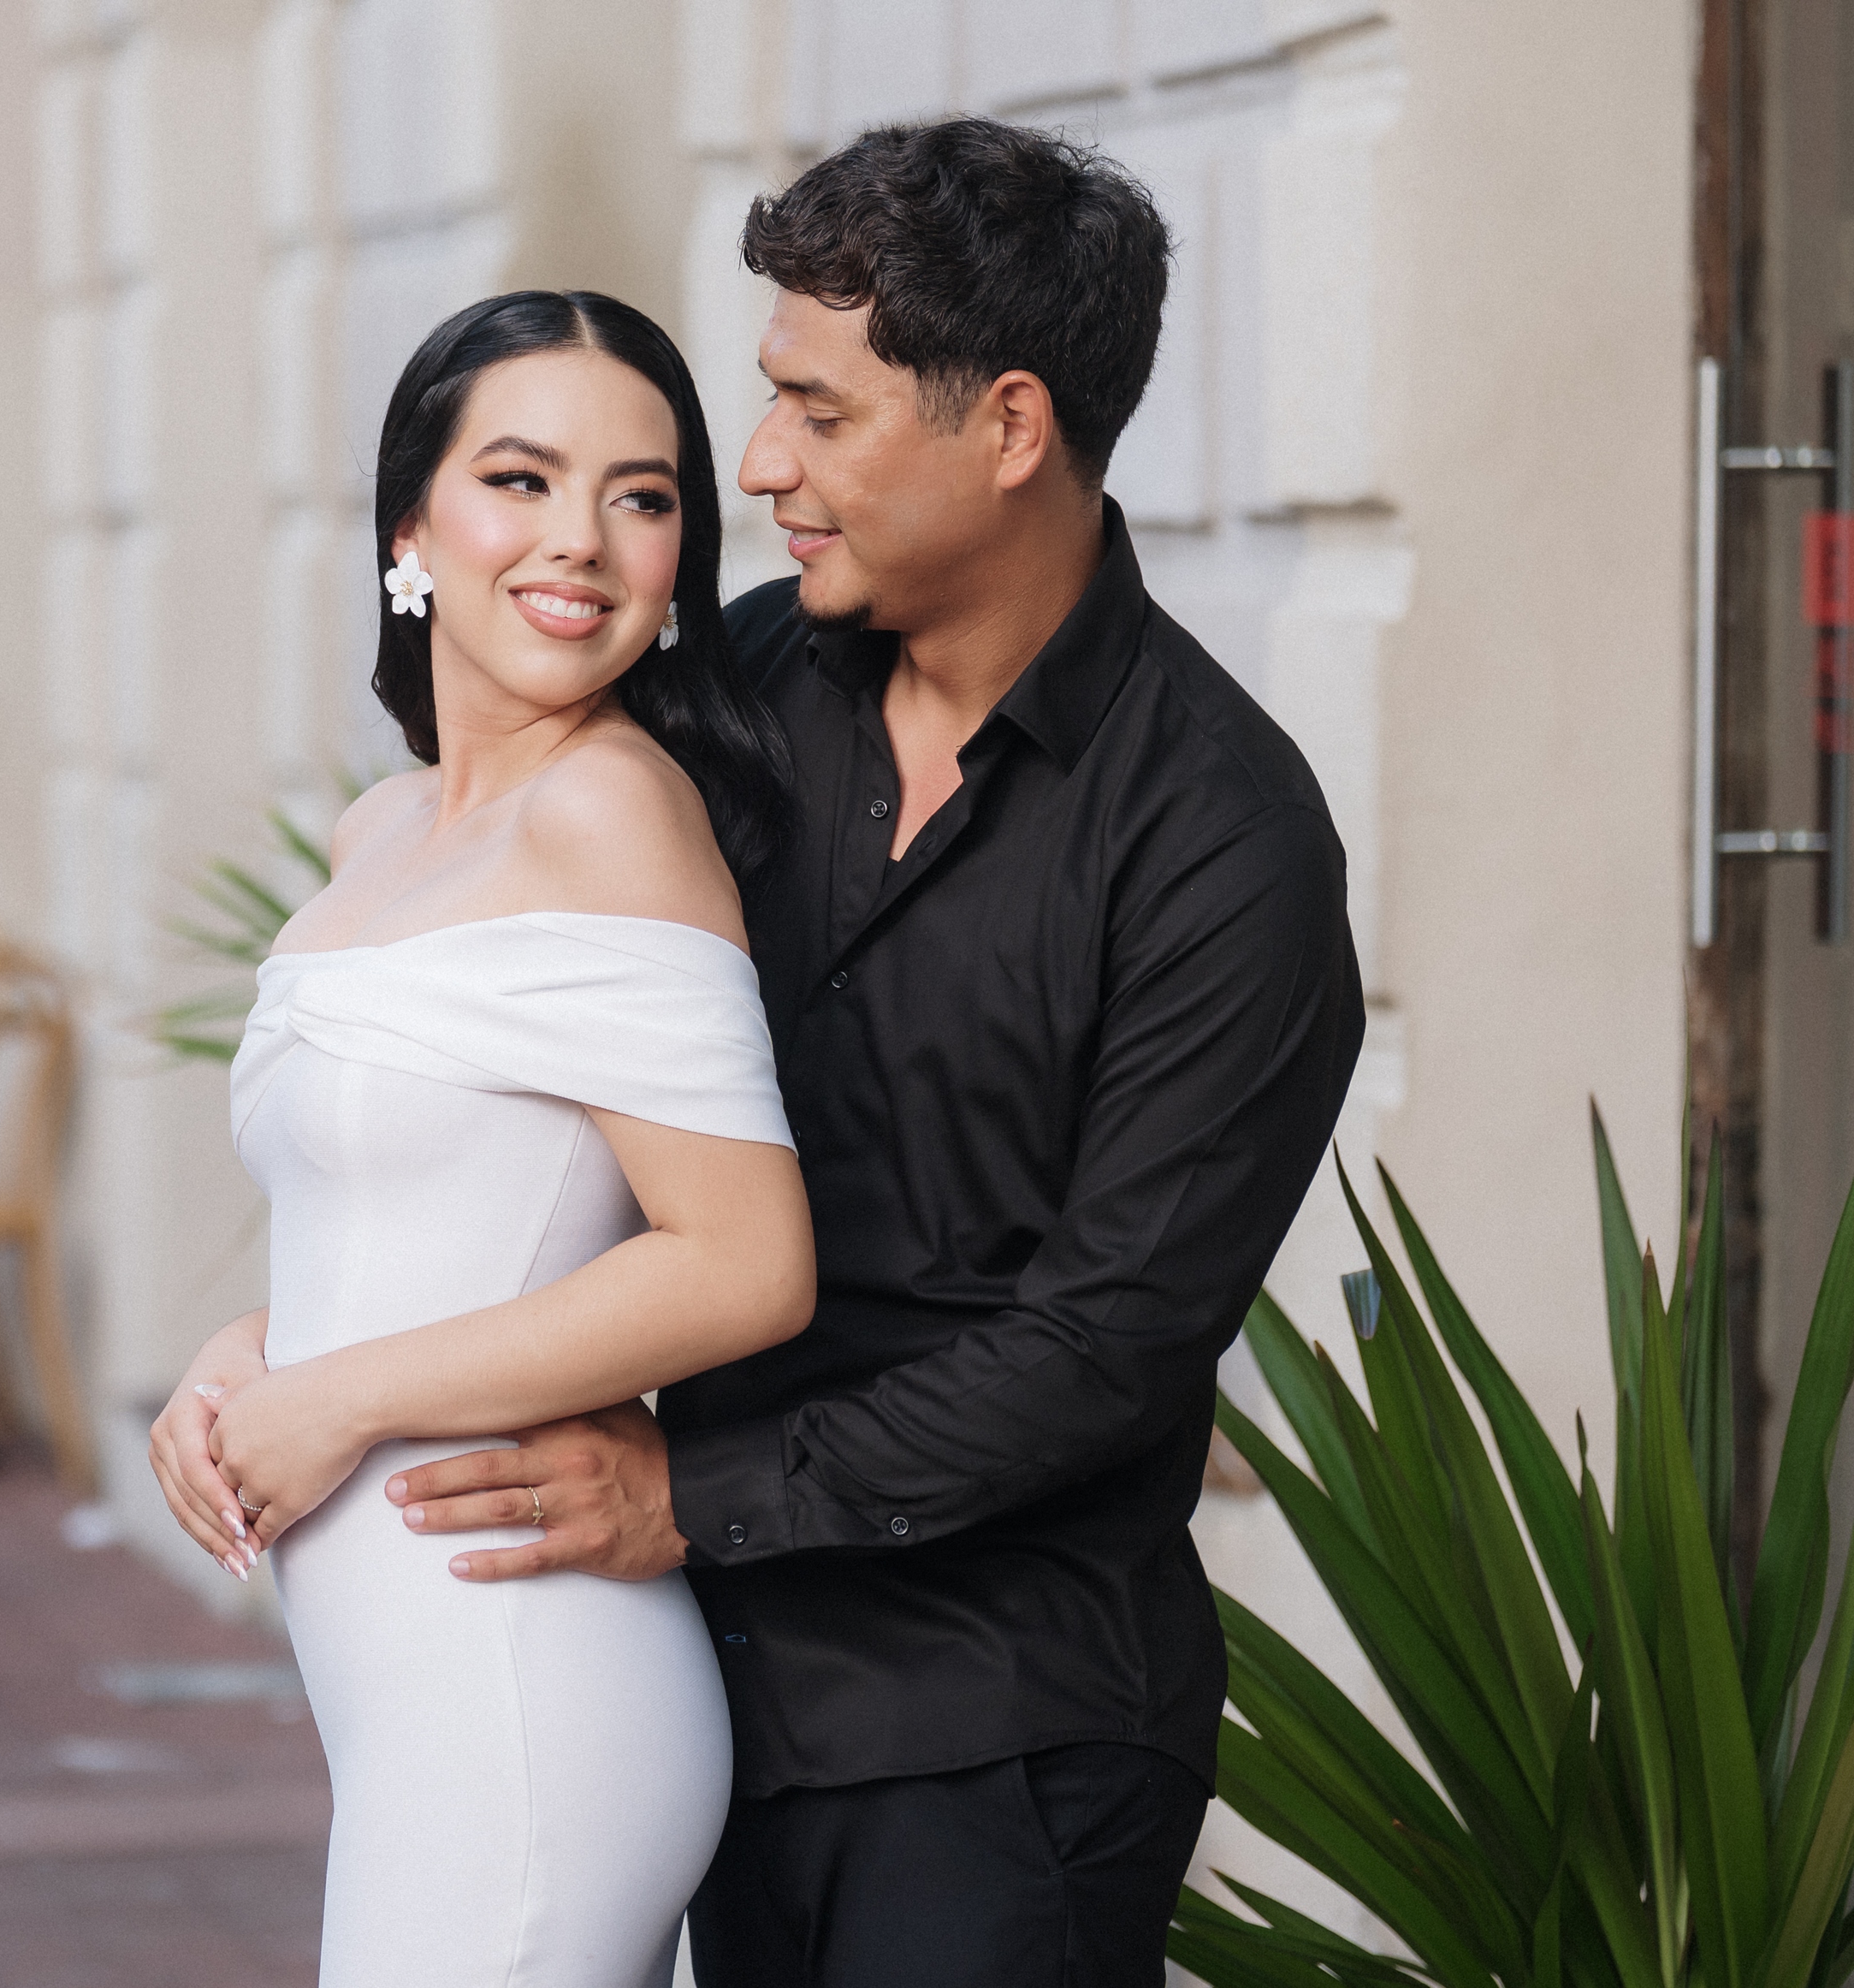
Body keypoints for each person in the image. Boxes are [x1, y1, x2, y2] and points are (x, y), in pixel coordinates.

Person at [384, 120, 1368, 1985]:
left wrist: (684, 1498)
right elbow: (508, 1034)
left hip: (999, 1739)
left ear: (1008, 427)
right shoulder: (740, 689)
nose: (760, 464)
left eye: (816, 412)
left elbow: (1102, 1346)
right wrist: (305, 1331)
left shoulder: (1222, 835)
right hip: (695, 1696)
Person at [145, 289, 814, 1988]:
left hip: (523, 1690)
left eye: (640, 496)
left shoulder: (612, 808)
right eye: (520, 479)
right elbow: (439, 1213)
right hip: (419, 1688)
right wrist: (251, 1353)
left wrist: (340, 1398)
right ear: (410, 529)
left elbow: (743, 1262)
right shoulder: (380, 831)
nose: (579, 538)